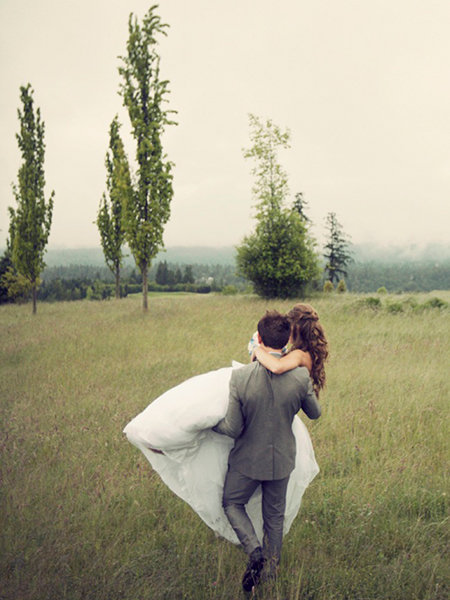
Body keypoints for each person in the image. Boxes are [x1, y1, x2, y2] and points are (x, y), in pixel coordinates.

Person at [212, 310, 321, 592]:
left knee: (231, 503)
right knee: (274, 516)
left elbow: (233, 428)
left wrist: (211, 428)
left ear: (259, 338)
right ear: (286, 341)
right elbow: (315, 413)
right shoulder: (299, 377)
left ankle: (254, 551)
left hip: (246, 462)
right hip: (282, 460)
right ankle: (271, 572)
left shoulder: (239, 378)